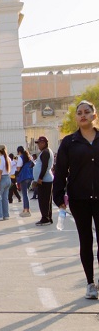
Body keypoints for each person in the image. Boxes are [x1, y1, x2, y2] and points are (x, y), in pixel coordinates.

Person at [53, 100, 99, 299]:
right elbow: (61, 170)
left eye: (87, 112)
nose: (83, 115)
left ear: (94, 115)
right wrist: (58, 195)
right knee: (86, 241)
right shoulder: (69, 142)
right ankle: (90, 283)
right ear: (76, 117)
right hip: (79, 198)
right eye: (79, 112)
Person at [33, 136, 54, 226]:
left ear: (43, 143)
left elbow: (44, 166)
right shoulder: (45, 152)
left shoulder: (45, 152)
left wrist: (40, 178)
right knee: (47, 199)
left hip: (44, 180)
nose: (38, 145)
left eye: (39, 143)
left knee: (43, 200)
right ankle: (48, 217)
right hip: (45, 179)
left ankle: (45, 218)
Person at [0, 145, 12, 221]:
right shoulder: (8, 158)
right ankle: (6, 214)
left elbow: (0, 172)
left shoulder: (0, 159)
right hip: (8, 178)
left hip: (2, 179)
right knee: (5, 198)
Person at [15, 147, 34, 217]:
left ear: (19, 151)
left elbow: (18, 168)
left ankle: (26, 210)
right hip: (30, 177)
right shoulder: (29, 157)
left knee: (24, 194)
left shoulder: (20, 158)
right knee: (26, 193)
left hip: (23, 177)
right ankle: (25, 209)